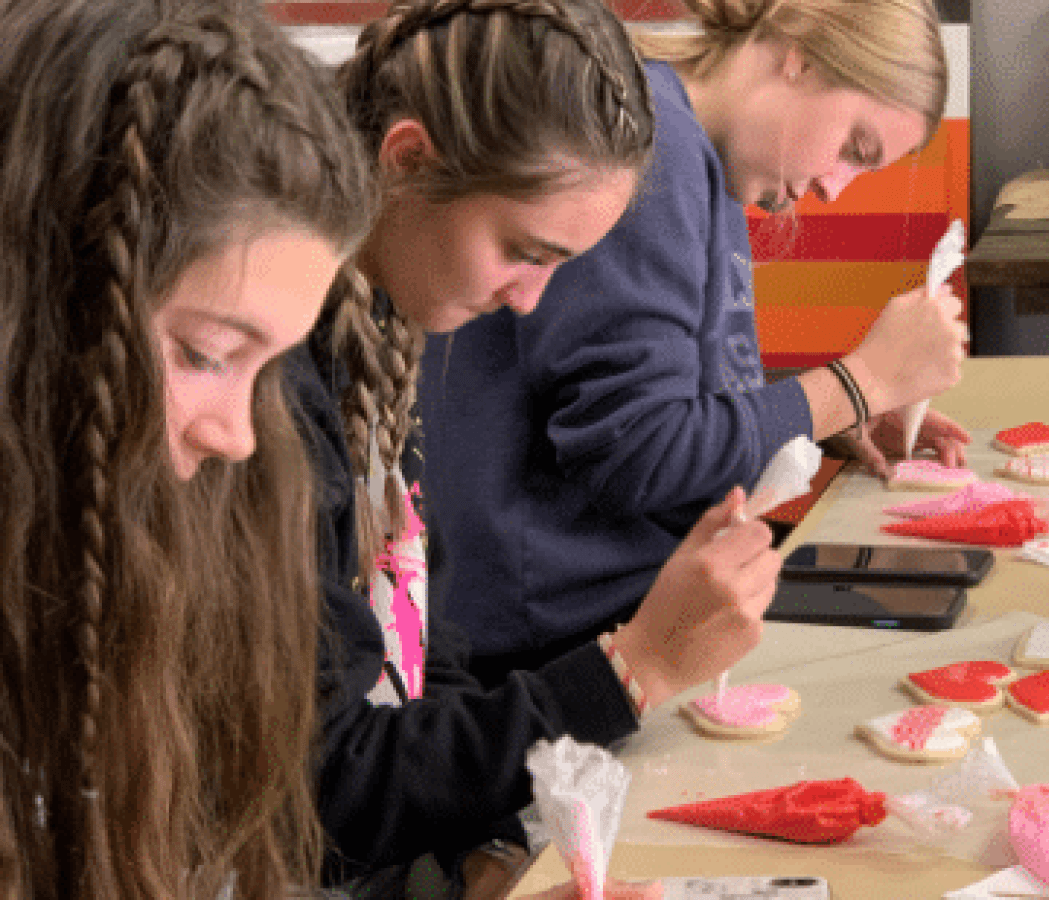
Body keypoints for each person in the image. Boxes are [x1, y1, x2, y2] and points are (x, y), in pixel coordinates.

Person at [296, 0, 781, 895]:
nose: (529, 301)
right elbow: (330, 783)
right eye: (524, 251)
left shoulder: (380, 337)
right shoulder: (278, 386)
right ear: (406, 161)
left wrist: (480, 850)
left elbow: (418, 649)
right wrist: (635, 667)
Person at [414, 0, 973, 685]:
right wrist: (858, 383)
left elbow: (673, 388)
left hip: (612, 610)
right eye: (854, 148)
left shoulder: (702, 157)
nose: (835, 187)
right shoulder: (656, 151)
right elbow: (641, 452)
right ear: (799, 53)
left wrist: (830, 416)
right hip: (561, 643)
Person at [0, 0, 378, 895]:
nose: (239, 435)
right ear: (43, 319)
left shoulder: (172, 549)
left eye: (270, 370)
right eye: (206, 354)